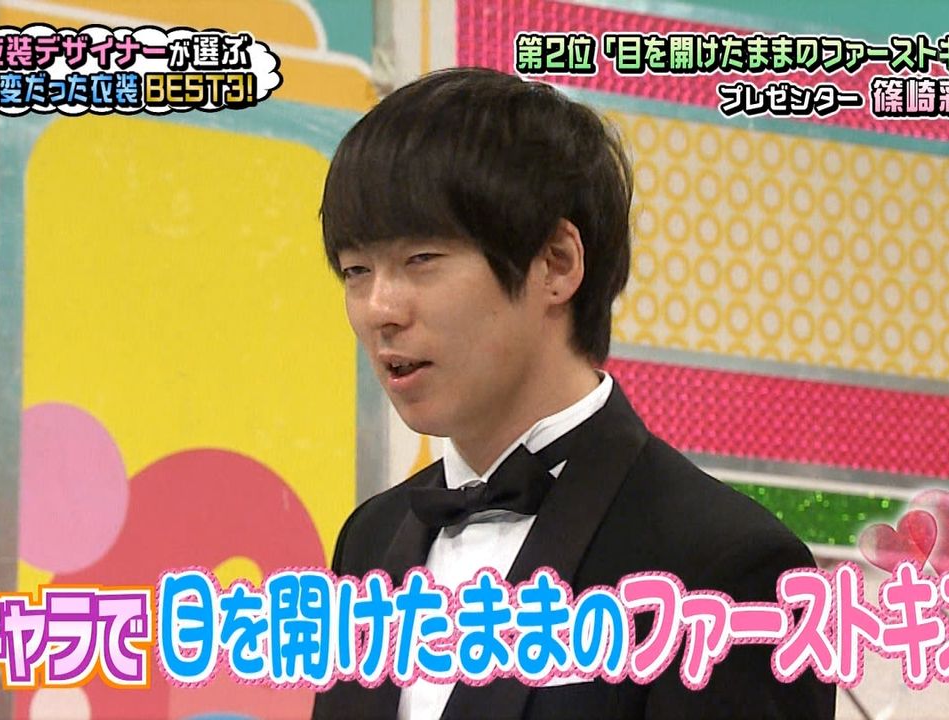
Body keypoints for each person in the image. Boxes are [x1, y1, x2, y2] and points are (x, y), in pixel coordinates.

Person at [311, 67, 835, 720]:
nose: (379, 309)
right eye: (356, 271)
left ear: (556, 263)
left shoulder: (727, 566)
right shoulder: (370, 539)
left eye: (421, 260)